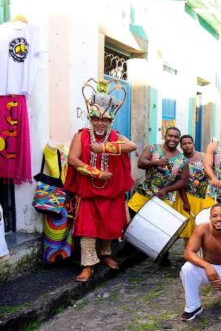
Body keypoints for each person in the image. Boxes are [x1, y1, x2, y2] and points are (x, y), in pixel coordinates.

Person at [65, 78, 136, 282]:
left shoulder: (115, 135)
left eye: (104, 120)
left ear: (110, 122)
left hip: (111, 192)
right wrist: (97, 173)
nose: (100, 123)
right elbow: (72, 159)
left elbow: (131, 146)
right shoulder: (82, 136)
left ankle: (105, 255)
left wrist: (105, 148)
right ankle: (88, 265)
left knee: (109, 226)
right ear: (91, 119)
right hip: (88, 191)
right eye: (96, 119)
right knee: (87, 227)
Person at [128, 126, 190, 266]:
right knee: (131, 213)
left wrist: (167, 189)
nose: (172, 139)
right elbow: (140, 163)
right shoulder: (152, 148)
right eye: (170, 136)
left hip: (165, 197)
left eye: (176, 137)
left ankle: (163, 255)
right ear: (165, 136)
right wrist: (156, 162)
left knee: (163, 227)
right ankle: (132, 247)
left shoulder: (182, 159)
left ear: (178, 140)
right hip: (145, 192)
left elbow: (184, 180)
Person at [174, 135, 208, 243]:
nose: (187, 145)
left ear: (193, 144)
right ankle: (189, 253)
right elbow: (179, 182)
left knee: (203, 226)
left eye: (189, 143)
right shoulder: (179, 161)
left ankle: (202, 254)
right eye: (184, 143)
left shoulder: (204, 157)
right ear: (181, 146)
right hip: (186, 197)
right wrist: (185, 202)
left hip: (203, 197)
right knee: (188, 230)